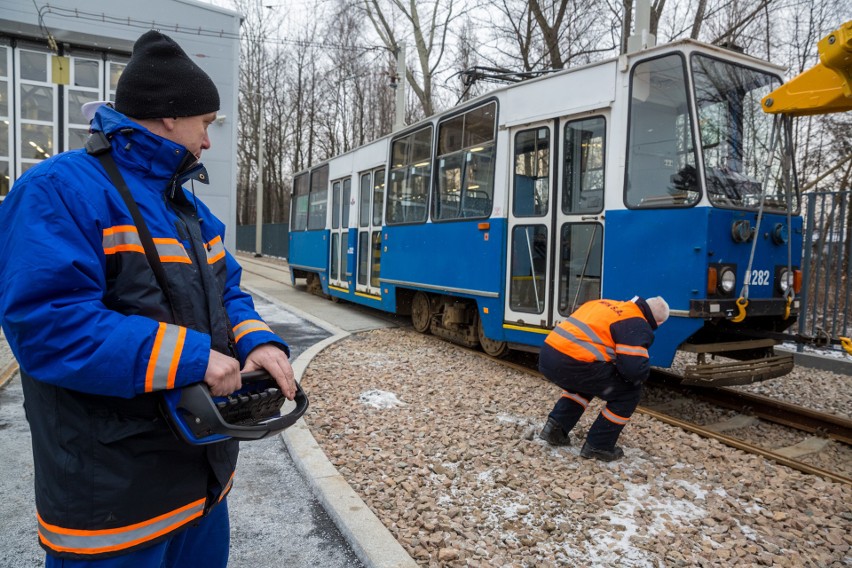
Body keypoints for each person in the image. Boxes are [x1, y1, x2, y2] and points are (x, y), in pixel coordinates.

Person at [0, 30, 296, 567]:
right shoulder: (58, 188)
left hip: (202, 483)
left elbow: (228, 289)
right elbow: (48, 325)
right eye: (205, 124)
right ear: (167, 117)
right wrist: (192, 357)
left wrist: (257, 343)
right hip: (113, 506)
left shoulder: (188, 210)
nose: (208, 141)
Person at [538, 296, 670, 462]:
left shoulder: (603, 303)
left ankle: (555, 429)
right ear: (658, 323)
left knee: (585, 383)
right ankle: (598, 445)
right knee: (629, 392)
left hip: (548, 356)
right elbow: (634, 371)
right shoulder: (637, 323)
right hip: (574, 363)